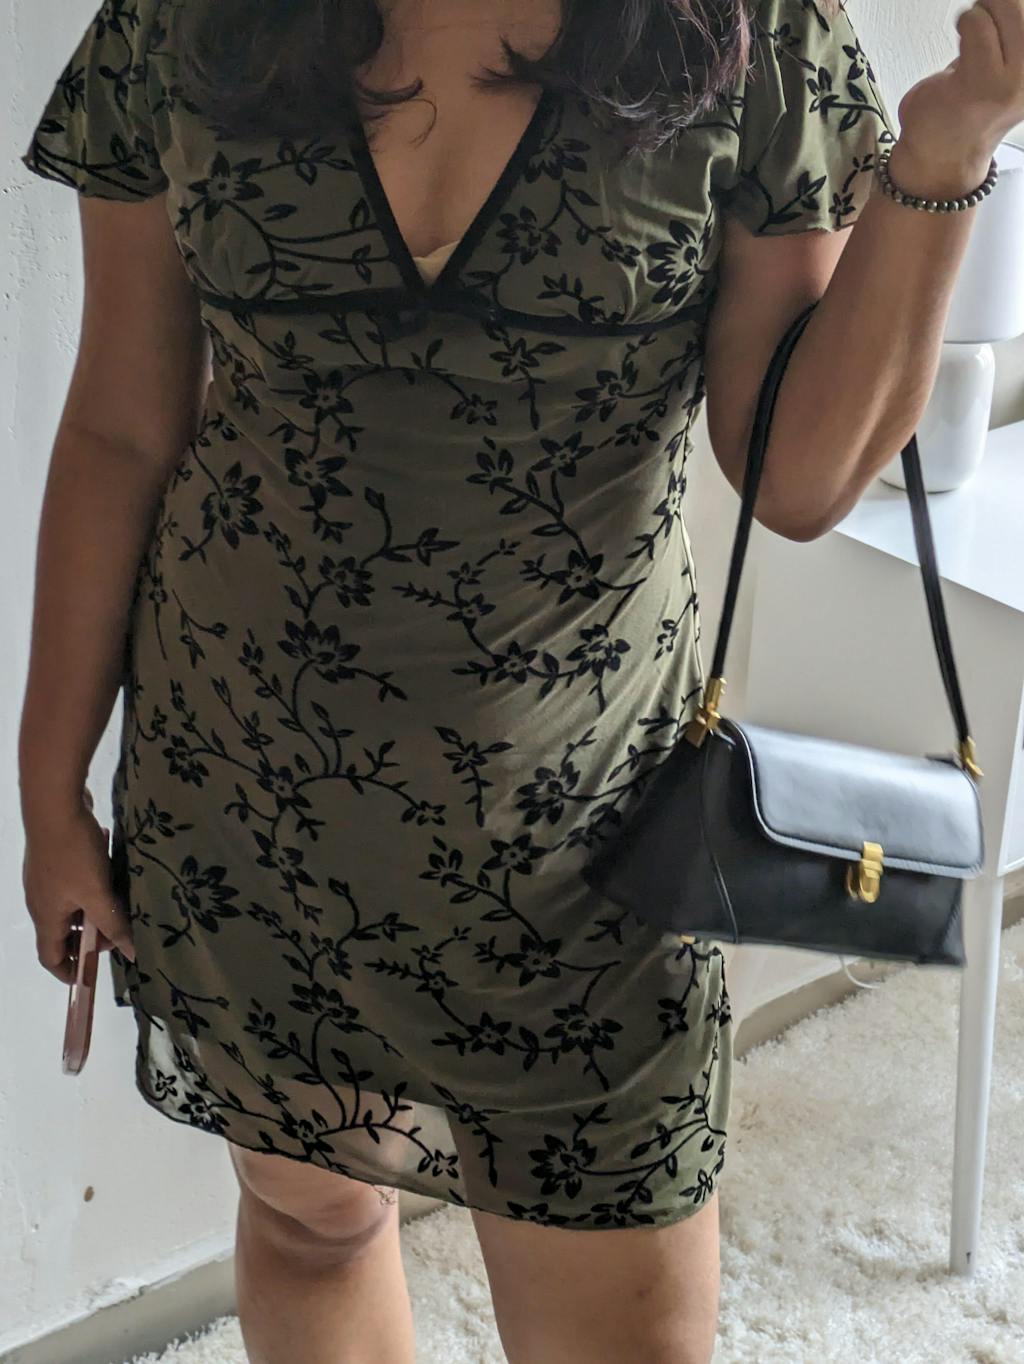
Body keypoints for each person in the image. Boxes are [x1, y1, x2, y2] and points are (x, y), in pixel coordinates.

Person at [18, 0, 1020, 1360]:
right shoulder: (180, 20)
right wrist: (52, 796)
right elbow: (122, 428)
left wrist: (949, 145)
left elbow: (797, 477)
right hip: (248, 795)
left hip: (588, 834)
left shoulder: (751, 29)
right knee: (312, 1221)